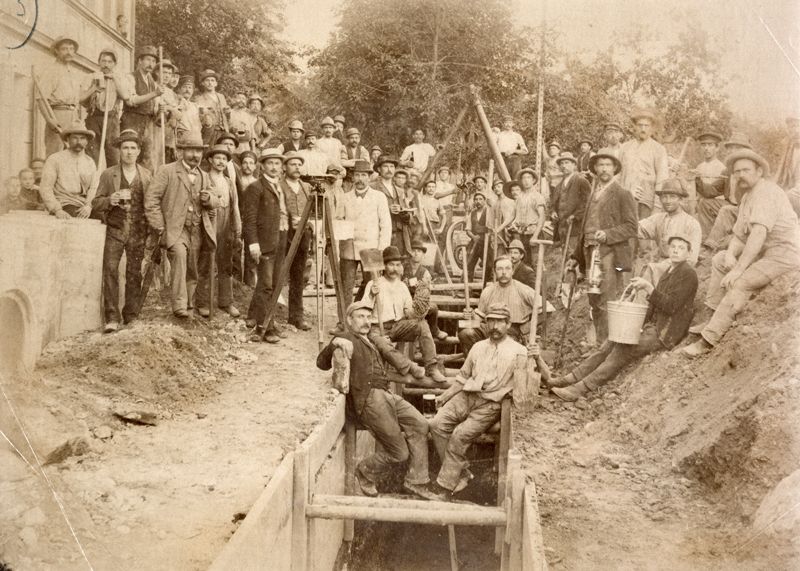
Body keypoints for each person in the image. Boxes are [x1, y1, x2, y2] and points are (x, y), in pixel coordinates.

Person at [316, 301, 439, 500]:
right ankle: (365, 471)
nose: (366, 321)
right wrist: (335, 343)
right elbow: (321, 363)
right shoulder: (346, 337)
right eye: (360, 317)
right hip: (369, 400)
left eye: (368, 317)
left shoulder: (371, 339)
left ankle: (416, 480)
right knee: (399, 453)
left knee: (420, 424)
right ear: (349, 320)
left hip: (386, 395)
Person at [551, 234, 699, 401]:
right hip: (653, 326)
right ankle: (571, 378)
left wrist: (649, 288)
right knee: (611, 340)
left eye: (681, 248)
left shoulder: (688, 274)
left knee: (623, 348)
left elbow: (672, 306)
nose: (676, 251)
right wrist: (639, 324)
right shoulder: (669, 271)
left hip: (665, 332)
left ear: (689, 253)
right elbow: (654, 305)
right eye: (673, 247)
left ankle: (580, 389)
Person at [683, 150, 800, 357]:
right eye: (737, 172)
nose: (740, 175)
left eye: (746, 170)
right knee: (720, 259)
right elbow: (739, 235)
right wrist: (729, 254)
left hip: (785, 252)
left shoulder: (767, 192)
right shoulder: (747, 196)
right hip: (766, 251)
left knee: (741, 282)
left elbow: (758, 234)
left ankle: (708, 340)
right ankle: (712, 314)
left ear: (759, 171)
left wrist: (738, 269)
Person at [429, 302, 529, 496]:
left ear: (508, 324)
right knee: (436, 424)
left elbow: (527, 386)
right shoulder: (477, 347)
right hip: (467, 396)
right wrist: (445, 396)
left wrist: (535, 358)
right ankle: (462, 471)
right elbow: (462, 377)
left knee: (459, 435)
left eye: (500, 322)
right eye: (491, 321)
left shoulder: (519, 352)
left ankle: (445, 486)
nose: (495, 327)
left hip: (491, 404)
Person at [566, 151, 638, 345]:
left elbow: (632, 227)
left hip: (611, 255)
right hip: (590, 253)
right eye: (600, 165)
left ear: (614, 169)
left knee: (608, 299)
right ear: (595, 169)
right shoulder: (592, 194)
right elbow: (584, 229)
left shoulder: (622, 194)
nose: (604, 168)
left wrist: (608, 235)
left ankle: (608, 346)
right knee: (594, 298)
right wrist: (576, 256)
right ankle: (600, 344)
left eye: (608, 165)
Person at [144, 136, 218, 318]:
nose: (195, 155)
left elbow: (216, 199)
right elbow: (151, 200)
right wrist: (160, 227)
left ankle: (189, 304)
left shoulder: (204, 175)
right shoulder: (167, 171)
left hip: (197, 227)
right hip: (175, 229)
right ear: (181, 152)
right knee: (179, 256)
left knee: (192, 266)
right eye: (191, 150)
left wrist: (209, 199)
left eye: (199, 151)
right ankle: (179, 305)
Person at [91, 130, 152, 331]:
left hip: (138, 230)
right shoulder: (109, 174)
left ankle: (131, 316)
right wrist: (110, 200)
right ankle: (112, 318)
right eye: (125, 147)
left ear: (139, 151)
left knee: (134, 273)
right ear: (119, 150)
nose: (129, 152)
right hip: (115, 229)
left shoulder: (146, 175)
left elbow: (151, 205)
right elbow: (96, 202)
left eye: (133, 148)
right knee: (110, 271)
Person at [361, 246, 447, 383]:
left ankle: (432, 367)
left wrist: (419, 310)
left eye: (397, 265)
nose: (395, 269)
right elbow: (363, 309)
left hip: (398, 326)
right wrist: (371, 294)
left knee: (422, 325)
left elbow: (408, 312)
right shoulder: (374, 284)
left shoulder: (402, 287)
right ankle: (411, 367)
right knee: (382, 345)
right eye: (391, 265)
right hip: (377, 328)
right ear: (384, 266)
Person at [243, 149, 289, 342]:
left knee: (273, 282)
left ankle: (253, 316)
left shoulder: (280, 187)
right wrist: (253, 243)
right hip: (264, 243)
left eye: (277, 163)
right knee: (266, 285)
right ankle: (266, 327)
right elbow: (250, 219)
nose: (274, 167)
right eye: (270, 163)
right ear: (262, 165)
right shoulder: (256, 187)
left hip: (280, 240)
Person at [334, 159, 392, 314]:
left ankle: (366, 315)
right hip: (349, 248)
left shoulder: (379, 197)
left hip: (371, 248)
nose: (360, 179)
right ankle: (344, 321)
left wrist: (382, 249)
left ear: (369, 177)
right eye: (357, 175)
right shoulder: (344, 197)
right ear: (352, 177)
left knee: (371, 284)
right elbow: (338, 220)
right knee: (345, 285)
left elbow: (386, 224)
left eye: (363, 175)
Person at [458, 256, 539, 354]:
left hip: (512, 329)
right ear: (495, 271)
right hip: (489, 326)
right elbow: (479, 318)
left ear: (513, 270)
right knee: (465, 331)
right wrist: (470, 316)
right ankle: (476, 365)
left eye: (507, 268)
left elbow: (548, 309)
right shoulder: (488, 291)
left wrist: (526, 328)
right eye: (500, 269)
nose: (504, 272)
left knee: (503, 348)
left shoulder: (523, 290)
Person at [636, 178, 702, 296]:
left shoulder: (691, 223)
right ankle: (639, 310)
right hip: (659, 265)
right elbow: (637, 229)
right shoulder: (659, 218)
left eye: (672, 197)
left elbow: (691, 259)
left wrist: (661, 268)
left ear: (680, 199)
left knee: (650, 272)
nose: (667, 201)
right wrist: (632, 204)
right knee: (644, 270)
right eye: (664, 197)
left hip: (680, 271)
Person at [201, 144, 242, 318]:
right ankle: (202, 302)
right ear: (210, 160)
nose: (220, 162)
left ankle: (226, 301)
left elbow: (235, 205)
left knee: (225, 261)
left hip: (226, 220)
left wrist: (237, 225)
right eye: (217, 158)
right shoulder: (204, 178)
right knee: (205, 261)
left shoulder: (228, 181)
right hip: (209, 221)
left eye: (224, 159)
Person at [697, 132, 753, 254]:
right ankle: (704, 241)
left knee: (725, 210)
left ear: (745, 151)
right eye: (731, 148)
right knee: (705, 203)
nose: (732, 151)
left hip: (749, 210)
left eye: (737, 148)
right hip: (732, 207)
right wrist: (696, 179)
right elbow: (710, 191)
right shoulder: (728, 171)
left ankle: (710, 247)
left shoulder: (750, 170)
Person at [35, 36, 84, 157]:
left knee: (74, 153)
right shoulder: (51, 71)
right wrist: (49, 119)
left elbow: (78, 99)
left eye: (72, 49)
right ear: (57, 51)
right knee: (55, 153)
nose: (69, 52)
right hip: (58, 115)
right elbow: (41, 98)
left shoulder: (72, 72)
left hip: (73, 116)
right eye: (64, 49)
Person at [281, 152, 313, 330]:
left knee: (298, 276)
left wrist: (307, 223)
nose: (296, 167)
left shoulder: (306, 187)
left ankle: (296, 316)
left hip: (302, 236)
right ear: (285, 167)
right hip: (283, 234)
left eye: (299, 164)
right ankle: (270, 315)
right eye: (292, 164)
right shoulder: (279, 186)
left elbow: (314, 211)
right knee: (277, 273)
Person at [39, 122, 98, 219]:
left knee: (107, 218)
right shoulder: (55, 159)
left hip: (84, 205)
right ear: (68, 139)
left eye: (82, 138)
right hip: (64, 204)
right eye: (75, 138)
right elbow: (45, 188)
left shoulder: (89, 162)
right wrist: (57, 209)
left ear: (87, 141)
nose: (79, 142)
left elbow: (94, 188)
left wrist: (89, 205)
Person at [120, 46, 165, 171]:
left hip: (148, 124)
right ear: (140, 61)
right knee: (130, 156)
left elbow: (154, 107)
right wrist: (154, 94)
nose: (151, 64)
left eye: (153, 61)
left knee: (147, 157)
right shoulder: (130, 77)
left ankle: (143, 188)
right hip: (132, 121)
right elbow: (131, 100)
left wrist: (160, 110)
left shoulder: (152, 83)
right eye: (148, 60)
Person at [619, 109, 669, 219]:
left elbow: (662, 177)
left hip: (646, 200)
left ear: (651, 128)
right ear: (634, 127)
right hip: (625, 197)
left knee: (643, 232)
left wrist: (657, 205)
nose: (643, 129)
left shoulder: (658, 149)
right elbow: (618, 174)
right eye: (640, 125)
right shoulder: (624, 148)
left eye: (646, 126)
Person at [81, 47, 127, 166]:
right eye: (103, 61)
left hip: (112, 120)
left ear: (115, 64)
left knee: (113, 154)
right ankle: (92, 183)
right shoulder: (91, 77)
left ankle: (112, 182)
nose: (106, 64)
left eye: (110, 62)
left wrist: (114, 80)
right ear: (99, 62)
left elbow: (125, 96)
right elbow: (81, 99)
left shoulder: (119, 78)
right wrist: (93, 89)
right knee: (91, 154)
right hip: (94, 118)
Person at [403, 240, 448, 341]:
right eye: (413, 250)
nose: (416, 253)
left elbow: (426, 293)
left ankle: (434, 330)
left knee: (433, 307)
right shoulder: (403, 268)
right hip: (402, 302)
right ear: (409, 253)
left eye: (419, 251)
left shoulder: (425, 272)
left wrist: (421, 287)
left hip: (417, 302)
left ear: (423, 255)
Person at [371, 155, 414, 255]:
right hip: (379, 233)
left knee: (396, 264)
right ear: (379, 169)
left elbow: (408, 217)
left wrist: (404, 212)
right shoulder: (372, 187)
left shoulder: (399, 191)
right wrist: (386, 210)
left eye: (392, 166)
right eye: (385, 166)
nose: (389, 170)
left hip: (398, 234)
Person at [692, 131, 728, 237]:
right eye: (703, 145)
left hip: (714, 208)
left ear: (717, 148)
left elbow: (713, 192)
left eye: (710, 145)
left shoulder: (722, 168)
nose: (706, 148)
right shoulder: (699, 167)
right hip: (699, 205)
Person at [551, 151, 590, 244]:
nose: (564, 166)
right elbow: (554, 203)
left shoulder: (581, 181)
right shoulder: (558, 186)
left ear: (574, 165)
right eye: (562, 163)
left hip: (575, 226)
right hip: (562, 227)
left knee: (574, 254)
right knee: (565, 252)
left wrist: (576, 215)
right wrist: (553, 212)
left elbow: (588, 201)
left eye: (567, 163)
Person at [507, 170, 546, 264]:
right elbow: (513, 215)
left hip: (534, 233)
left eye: (528, 177)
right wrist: (500, 228)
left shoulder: (537, 196)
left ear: (533, 180)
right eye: (523, 178)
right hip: (522, 234)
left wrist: (535, 236)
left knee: (537, 262)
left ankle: (539, 279)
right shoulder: (520, 197)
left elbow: (542, 217)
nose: (526, 180)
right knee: (524, 262)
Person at [152, 58, 181, 168]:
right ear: (156, 72)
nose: (167, 76)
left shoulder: (171, 93)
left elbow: (179, 115)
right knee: (152, 160)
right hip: (153, 128)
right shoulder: (151, 86)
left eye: (169, 73)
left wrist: (170, 108)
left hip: (167, 133)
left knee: (165, 163)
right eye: (164, 72)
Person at [194, 69, 230, 146]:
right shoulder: (199, 99)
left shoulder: (221, 97)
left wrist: (228, 113)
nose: (210, 83)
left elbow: (225, 116)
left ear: (216, 83)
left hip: (223, 132)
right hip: (210, 133)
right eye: (207, 80)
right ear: (203, 83)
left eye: (212, 80)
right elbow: (199, 118)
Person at [773, 116, 800, 216]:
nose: (796, 131)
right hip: (792, 192)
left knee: (787, 197)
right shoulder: (788, 150)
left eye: (798, 126)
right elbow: (779, 176)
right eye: (792, 127)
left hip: (795, 193)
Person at [465, 191, 493, 282]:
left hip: (486, 241)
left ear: (484, 201)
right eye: (476, 199)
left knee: (489, 265)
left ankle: (486, 287)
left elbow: (491, 227)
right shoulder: (472, 213)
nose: (478, 201)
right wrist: (473, 237)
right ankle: (467, 288)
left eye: (480, 199)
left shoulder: (489, 211)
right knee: (468, 263)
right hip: (474, 240)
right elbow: (468, 229)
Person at [175, 75, 203, 144]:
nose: (187, 90)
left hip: (195, 138)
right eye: (184, 87)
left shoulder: (195, 106)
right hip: (181, 138)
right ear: (179, 89)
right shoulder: (175, 103)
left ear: (193, 91)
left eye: (190, 88)